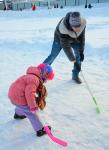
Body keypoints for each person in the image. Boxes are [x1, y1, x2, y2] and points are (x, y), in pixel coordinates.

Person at [8, 63, 54, 137]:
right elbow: (29, 94)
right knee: (31, 113)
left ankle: (18, 114)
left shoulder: (30, 76)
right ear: (43, 74)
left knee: (21, 106)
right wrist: (33, 107)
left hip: (12, 95)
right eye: (46, 78)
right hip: (19, 97)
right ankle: (40, 129)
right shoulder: (34, 80)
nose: (45, 81)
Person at [43, 12, 86, 84]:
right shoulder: (63, 28)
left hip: (75, 38)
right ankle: (41, 73)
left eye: (78, 26)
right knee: (53, 56)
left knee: (78, 55)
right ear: (71, 25)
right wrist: (73, 61)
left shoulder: (83, 23)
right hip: (60, 38)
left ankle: (75, 75)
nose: (78, 29)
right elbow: (66, 47)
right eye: (75, 27)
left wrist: (81, 52)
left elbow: (82, 38)